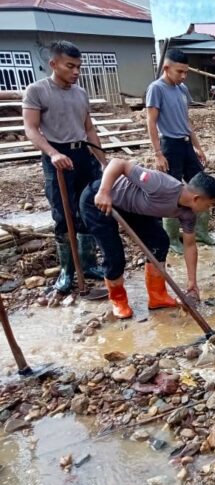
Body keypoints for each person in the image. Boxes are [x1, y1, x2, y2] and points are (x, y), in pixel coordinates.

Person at [80, 159, 215, 319]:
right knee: (114, 255)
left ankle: (157, 297)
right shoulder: (160, 184)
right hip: (99, 200)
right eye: (209, 205)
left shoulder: (188, 214)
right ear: (196, 198)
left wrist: (192, 283)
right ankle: (119, 301)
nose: (208, 209)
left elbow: (189, 246)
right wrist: (103, 192)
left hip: (132, 207)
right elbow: (119, 163)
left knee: (159, 242)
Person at [22, 41, 107, 299]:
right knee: (63, 214)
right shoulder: (37, 91)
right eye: (70, 66)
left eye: (78, 66)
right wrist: (54, 153)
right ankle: (68, 272)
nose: (76, 71)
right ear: (54, 64)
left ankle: (89, 264)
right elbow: (31, 129)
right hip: (57, 157)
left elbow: (89, 128)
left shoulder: (80, 93)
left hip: (83, 154)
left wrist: (102, 161)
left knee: (88, 209)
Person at [146, 48, 215, 254]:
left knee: (201, 185)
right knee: (172, 191)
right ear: (166, 68)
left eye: (186, 72)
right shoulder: (156, 89)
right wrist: (158, 153)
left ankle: (201, 232)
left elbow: (186, 120)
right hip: (169, 145)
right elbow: (151, 122)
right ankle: (171, 239)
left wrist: (198, 146)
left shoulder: (181, 89)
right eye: (180, 72)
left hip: (186, 144)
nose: (183, 76)